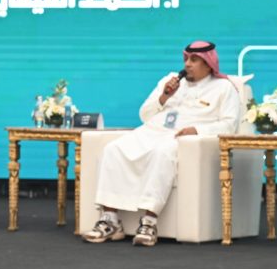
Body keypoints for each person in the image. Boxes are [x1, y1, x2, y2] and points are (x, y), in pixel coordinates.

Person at [82, 41, 241, 246]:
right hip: (152, 131)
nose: (187, 64)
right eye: (186, 59)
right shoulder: (170, 81)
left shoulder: (223, 87)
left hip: (182, 137)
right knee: (113, 149)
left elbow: (230, 125)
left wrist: (197, 130)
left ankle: (149, 223)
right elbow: (144, 115)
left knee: (162, 153)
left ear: (209, 64)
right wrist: (165, 96)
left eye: (194, 60)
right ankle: (110, 220)